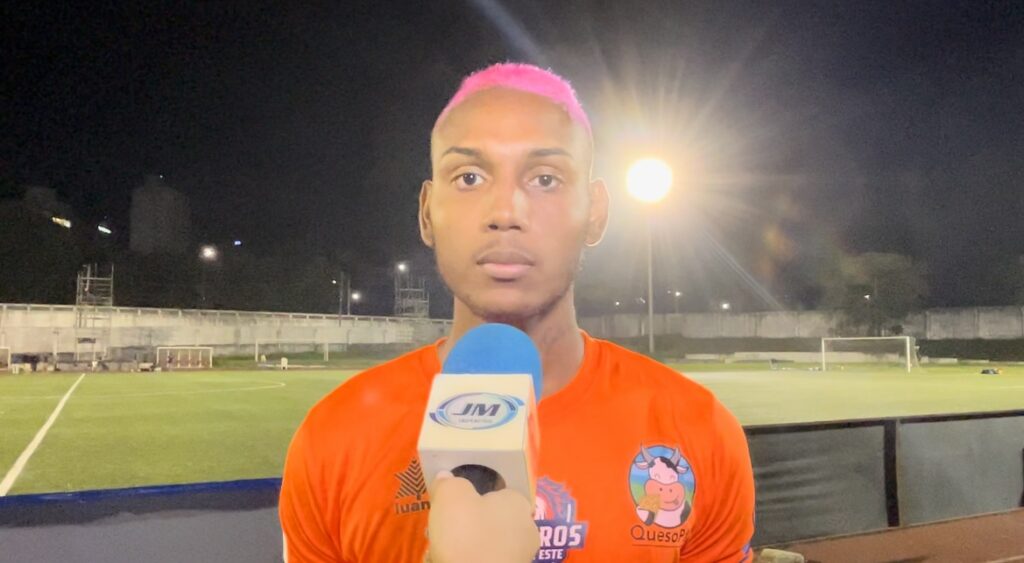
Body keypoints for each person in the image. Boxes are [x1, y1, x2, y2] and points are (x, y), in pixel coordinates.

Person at [280, 62, 755, 562]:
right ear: (427, 212)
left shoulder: (700, 431)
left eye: (545, 179)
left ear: (595, 212)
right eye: (469, 177)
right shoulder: (333, 438)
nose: (505, 212)